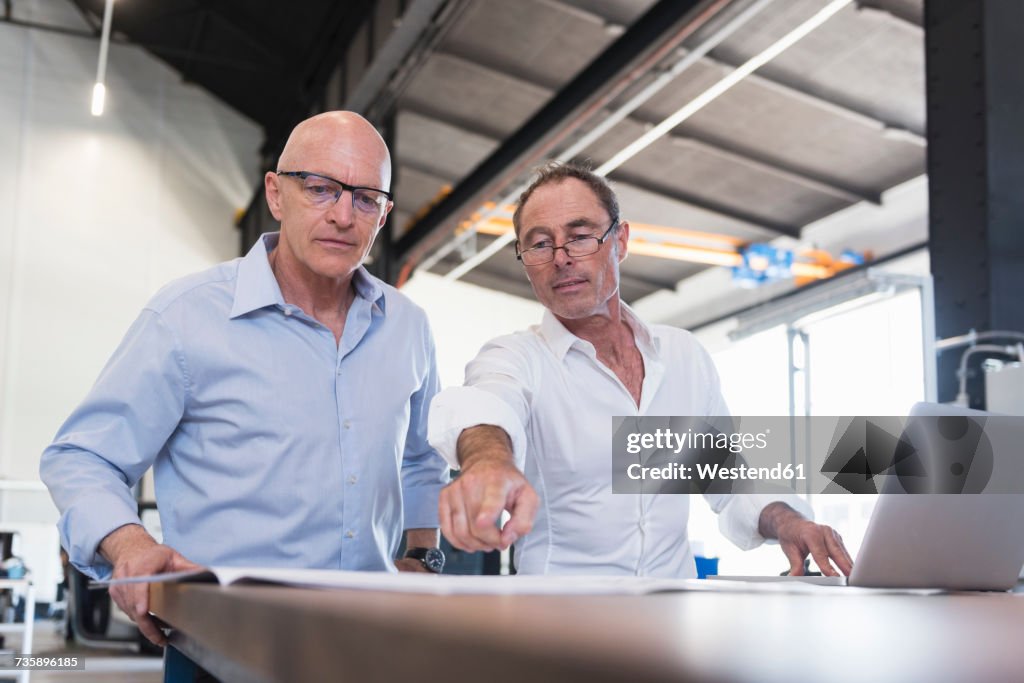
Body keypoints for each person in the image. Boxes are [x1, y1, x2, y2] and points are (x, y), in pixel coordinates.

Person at [40, 111, 448, 645]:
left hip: (366, 643)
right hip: (221, 644)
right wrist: (130, 544)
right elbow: (83, 456)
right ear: (277, 195)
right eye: (322, 189)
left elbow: (421, 458)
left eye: (366, 198)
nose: (345, 216)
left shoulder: (407, 328)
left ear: (384, 212)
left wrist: (422, 557)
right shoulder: (187, 318)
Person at [428, 162, 852, 577]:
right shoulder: (517, 357)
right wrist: (487, 463)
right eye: (540, 244)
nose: (561, 258)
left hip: (672, 622)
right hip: (559, 626)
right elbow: (487, 404)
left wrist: (790, 523)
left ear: (622, 240)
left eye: (580, 237)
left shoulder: (684, 356)